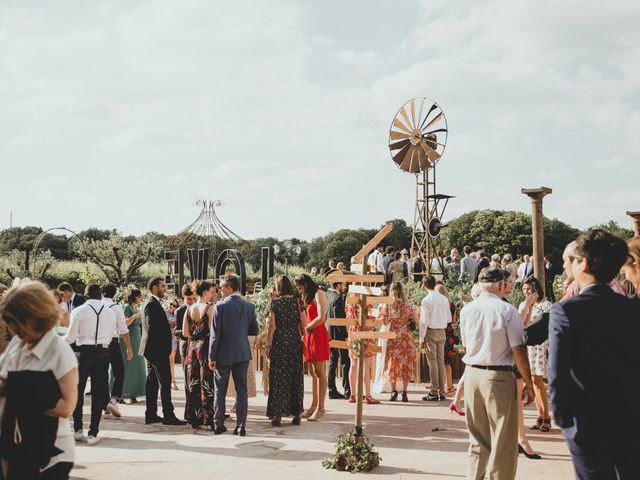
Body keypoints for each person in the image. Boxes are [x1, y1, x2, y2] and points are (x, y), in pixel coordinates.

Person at [549, 229, 640, 479]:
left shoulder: (566, 311)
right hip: (631, 418)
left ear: (584, 264)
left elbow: (557, 372)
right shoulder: (633, 308)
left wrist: (563, 420)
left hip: (587, 423)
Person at [459, 267, 534, 480]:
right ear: (500, 285)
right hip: (499, 377)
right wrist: (528, 382)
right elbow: (518, 349)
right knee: (503, 441)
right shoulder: (506, 310)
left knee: (477, 439)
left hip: (473, 374)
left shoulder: (467, 310)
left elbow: (467, 347)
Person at [0, 281, 78, 479]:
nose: (13, 328)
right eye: (9, 322)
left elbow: (67, 407)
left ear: (35, 316)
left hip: (49, 454)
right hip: (15, 445)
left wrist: (16, 387)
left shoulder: (59, 351)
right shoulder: (18, 343)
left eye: (17, 322)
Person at [65, 283, 131, 445]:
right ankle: (93, 433)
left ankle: (78, 429)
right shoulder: (110, 312)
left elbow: (71, 338)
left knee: (78, 392)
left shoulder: (78, 311)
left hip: (83, 353)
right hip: (103, 353)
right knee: (98, 392)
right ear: (100, 295)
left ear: (85, 296)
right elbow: (113, 335)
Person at [208, 274, 259, 436]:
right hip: (242, 353)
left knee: (219, 391)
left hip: (223, 354)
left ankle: (218, 425)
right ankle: (241, 426)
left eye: (222, 287)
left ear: (229, 287)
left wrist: (211, 357)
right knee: (241, 390)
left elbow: (215, 335)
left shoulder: (220, 307)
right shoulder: (248, 306)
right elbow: (255, 330)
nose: (220, 291)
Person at [140, 277, 186, 426]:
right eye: (162, 286)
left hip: (151, 348)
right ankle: (168, 415)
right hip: (156, 349)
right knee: (165, 381)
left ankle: (151, 414)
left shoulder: (152, 303)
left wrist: (166, 324)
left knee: (152, 381)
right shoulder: (151, 304)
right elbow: (152, 327)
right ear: (154, 288)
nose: (164, 289)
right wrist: (169, 325)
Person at [265, 275, 305, 426]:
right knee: (295, 376)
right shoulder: (297, 302)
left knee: (278, 377)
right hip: (294, 342)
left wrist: (268, 344)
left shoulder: (275, 303)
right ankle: (297, 414)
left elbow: (271, 326)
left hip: (280, 342)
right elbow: (304, 324)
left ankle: (277, 415)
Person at [518, 277, 552, 432]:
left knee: (538, 381)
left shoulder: (546, 306)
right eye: (524, 289)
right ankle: (539, 416)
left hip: (541, 346)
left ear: (536, 290)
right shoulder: (523, 305)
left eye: (529, 289)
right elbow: (522, 326)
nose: (526, 292)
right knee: (532, 381)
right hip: (528, 348)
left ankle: (546, 417)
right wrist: (528, 306)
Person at [294, 274, 330, 420]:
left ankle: (321, 407)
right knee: (312, 372)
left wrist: (307, 326)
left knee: (320, 372)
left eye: (300, 286)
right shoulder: (308, 296)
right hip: (310, 334)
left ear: (306, 284)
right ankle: (314, 405)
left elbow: (321, 317)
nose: (299, 289)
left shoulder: (319, 294)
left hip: (317, 334)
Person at [183, 280, 217, 429]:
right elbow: (213, 331)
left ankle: (194, 417)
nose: (212, 294)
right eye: (211, 291)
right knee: (207, 382)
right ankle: (208, 418)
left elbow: (185, 332)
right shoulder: (209, 309)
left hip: (192, 347)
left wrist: (194, 338)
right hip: (205, 346)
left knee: (193, 382)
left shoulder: (189, 309)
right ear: (204, 292)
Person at [378, 282, 417, 402]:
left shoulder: (388, 304)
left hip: (394, 337)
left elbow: (384, 322)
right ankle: (404, 393)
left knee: (393, 364)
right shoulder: (409, 304)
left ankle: (394, 392)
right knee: (406, 364)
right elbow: (415, 319)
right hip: (406, 337)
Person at [101, 283, 133, 419]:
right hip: (113, 342)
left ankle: (104, 404)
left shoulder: (97, 306)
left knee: (101, 375)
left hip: (98, 343)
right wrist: (129, 348)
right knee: (119, 372)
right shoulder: (116, 307)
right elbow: (123, 329)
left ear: (102, 292)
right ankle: (113, 401)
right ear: (114, 294)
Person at [419, 275, 452, 401]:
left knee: (432, 362)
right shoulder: (444, 299)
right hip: (442, 331)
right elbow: (449, 318)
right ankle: (442, 391)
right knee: (440, 360)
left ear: (424, 285)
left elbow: (424, 321)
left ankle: (434, 390)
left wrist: (421, 338)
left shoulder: (426, 300)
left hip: (431, 331)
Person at [346, 295, 380, 405]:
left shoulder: (349, 300)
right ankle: (368, 395)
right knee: (366, 365)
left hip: (353, 334)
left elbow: (348, 316)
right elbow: (372, 318)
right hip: (366, 334)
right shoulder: (366, 300)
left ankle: (352, 394)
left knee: (353, 364)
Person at [116, 288, 146, 403]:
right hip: (127, 340)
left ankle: (133, 393)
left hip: (136, 340)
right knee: (126, 367)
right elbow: (123, 324)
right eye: (139, 296)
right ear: (134, 297)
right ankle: (122, 394)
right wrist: (135, 316)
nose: (140, 298)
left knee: (136, 367)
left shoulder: (135, 308)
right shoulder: (126, 307)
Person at [326, 278, 350, 400]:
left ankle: (331, 390)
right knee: (346, 362)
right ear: (339, 284)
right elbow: (339, 319)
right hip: (338, 335)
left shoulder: (327, 295)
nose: (345, 287)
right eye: (344, 284)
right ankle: (347, 390)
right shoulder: (338, 298)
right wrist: (345, 336)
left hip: (329, 334)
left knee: (332, 362)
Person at [435, 283, 458, 396]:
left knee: (442, 361)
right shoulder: (452, 305)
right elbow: (453, 321)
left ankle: (446, 387)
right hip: (450, 333)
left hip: (441, 331)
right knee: (447, 361)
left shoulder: (440, 304)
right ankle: (449, 386)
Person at [174, 284, 196, 399]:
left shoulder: (199, 307)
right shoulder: (180, 310)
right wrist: (187, 334)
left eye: (193, 298)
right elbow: (176, 331)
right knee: (187, 376)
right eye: (189, 299)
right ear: (183, 296)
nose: (191, 301)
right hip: (185, 346)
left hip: (197, 347)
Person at [166, 300, 179, 390]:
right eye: (171, 303)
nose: (171, 306)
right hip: (163, 339)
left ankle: (173, 381)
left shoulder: (175, 315)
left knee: (171, 361)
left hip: (172, 340)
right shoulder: (162, 312)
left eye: (174, 305)